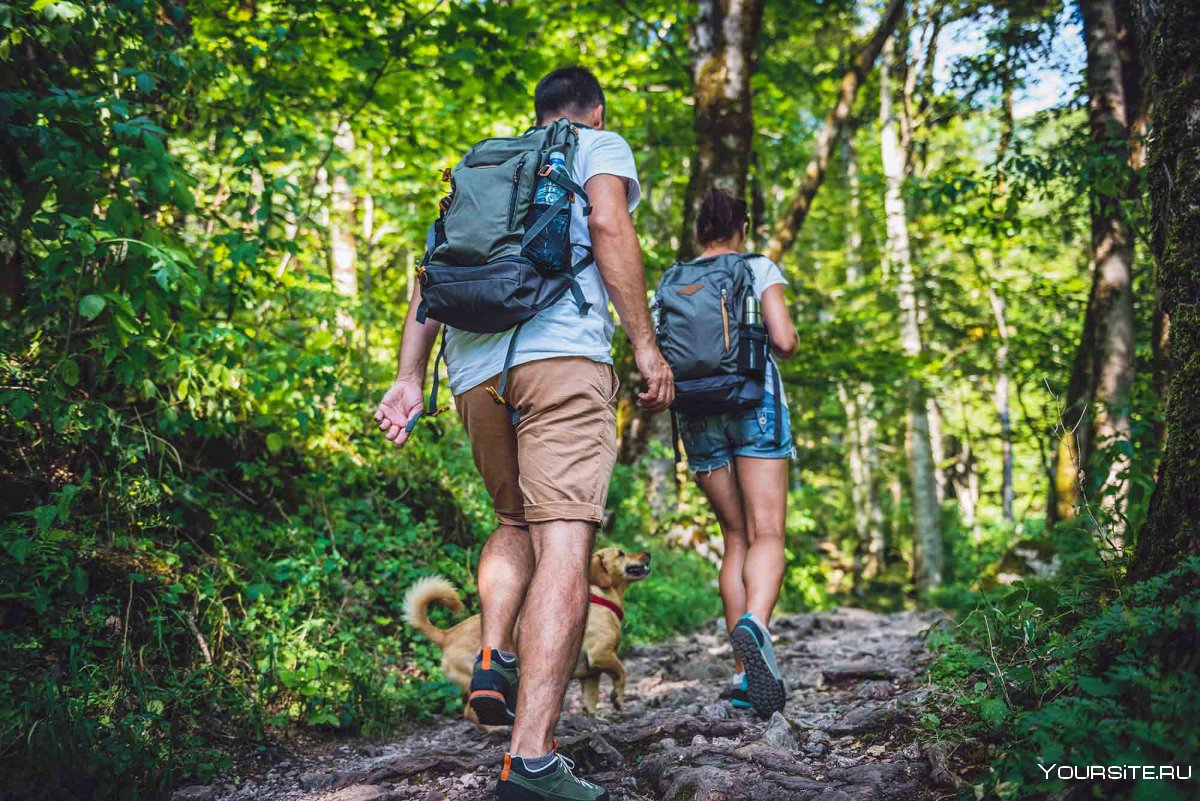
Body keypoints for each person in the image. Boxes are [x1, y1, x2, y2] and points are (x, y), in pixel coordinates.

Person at [374, 66, 673, 801]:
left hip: (474, 370)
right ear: (593, 111)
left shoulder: (483, 162)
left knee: (513, 519)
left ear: (532, 113)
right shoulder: (596, 144)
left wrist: (409, 377)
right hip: (561, 357)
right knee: (566, 539)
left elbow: (430, 273)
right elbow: (608, 224)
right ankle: (532, 760)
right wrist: (643, 343)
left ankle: (494, 651)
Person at [677, 188, 798, 717]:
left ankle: (745, 673)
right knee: (767, 532)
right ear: (742, 227)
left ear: (699, 230)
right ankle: (756, 625)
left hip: (697, 411)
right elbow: (786, 340)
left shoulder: (675, 278)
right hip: (755, 401)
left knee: (734, 537)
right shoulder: (757, 267)